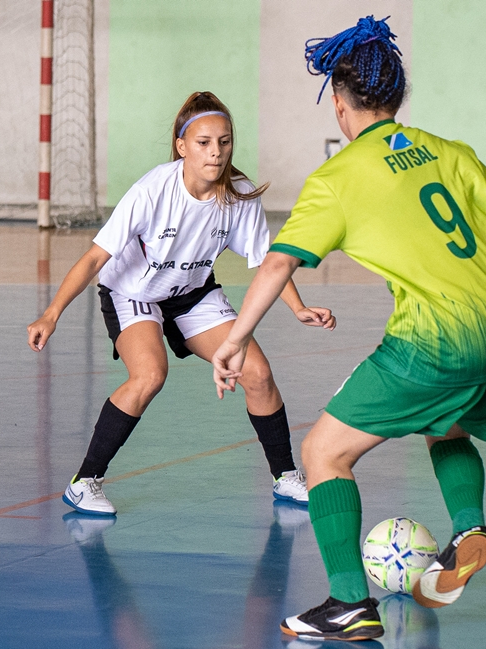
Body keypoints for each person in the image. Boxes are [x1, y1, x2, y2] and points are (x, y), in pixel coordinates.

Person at [212, 16, 486, 640]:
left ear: (342, 107)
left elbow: (277, 261)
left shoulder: (339, 177)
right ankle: (469, 528)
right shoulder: (453, 153)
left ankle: (349, 603)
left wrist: (236, 337)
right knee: (447, 421)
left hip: (438, 340)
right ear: (398, 99)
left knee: (324, 453)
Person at [28, 91, 335, 516]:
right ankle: (85, 482)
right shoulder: (153, 190)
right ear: (182, 146)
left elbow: (269, 261)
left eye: (224, 142)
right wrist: (52, 311)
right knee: (150, 374)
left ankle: (285, 478)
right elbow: (96, 256)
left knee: (258, 374)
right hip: (132, 293)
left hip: (192, 292)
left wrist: (297, 307)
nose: (216, 152)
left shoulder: (239, 195)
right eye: (204, 142)